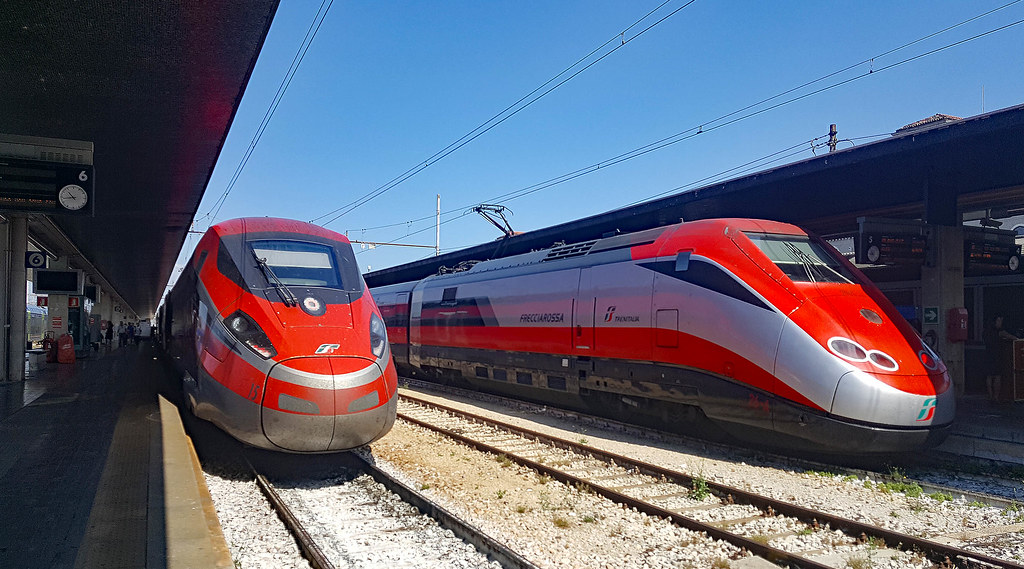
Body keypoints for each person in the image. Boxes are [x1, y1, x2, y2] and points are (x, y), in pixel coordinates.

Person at [983, 314, 1019, 401]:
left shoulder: (985, 331)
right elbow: (1013, 338)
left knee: (989, 376)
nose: (1000, 323)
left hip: (987, 354)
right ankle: (995, 397)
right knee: (997, 375)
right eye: (999, 321)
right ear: (995, 322)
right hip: (997, 355)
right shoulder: (999, 332)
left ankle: (990, 395)